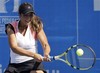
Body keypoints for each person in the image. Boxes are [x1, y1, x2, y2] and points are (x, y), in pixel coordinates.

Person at [4, 2, 51, 73]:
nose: (28, 18)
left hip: (32, 63)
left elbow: (45, 44)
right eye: (26, 15)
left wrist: (46, 53)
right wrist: (34, 55)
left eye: (30, 15)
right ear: (20, 15)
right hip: (15, 65)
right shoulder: (11, 27)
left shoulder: (36, 26)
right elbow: (14, 48)